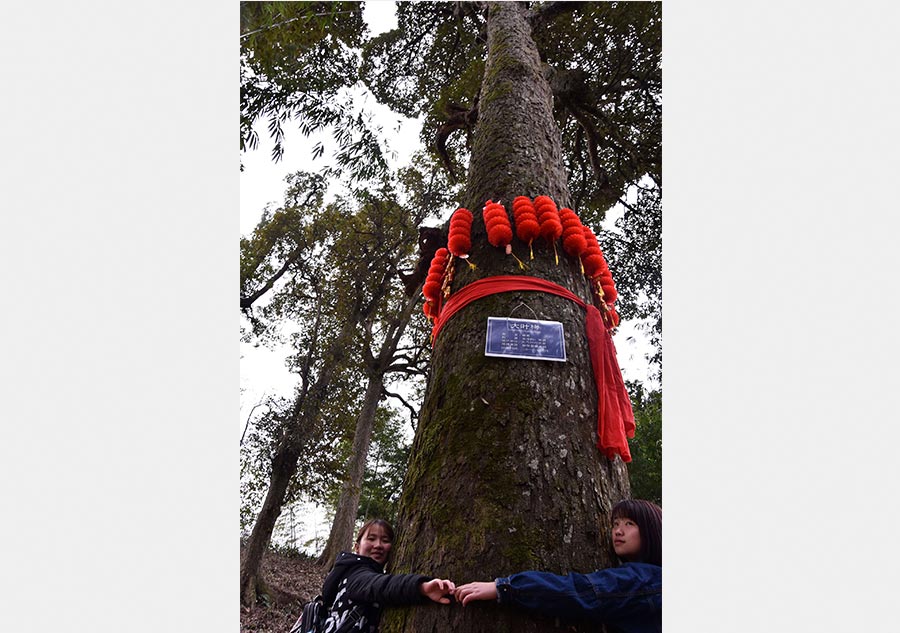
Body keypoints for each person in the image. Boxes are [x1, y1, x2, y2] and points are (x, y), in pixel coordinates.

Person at [453, 499, 662, 633]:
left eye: (629, 524)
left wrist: (505, 587)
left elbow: (582, 592)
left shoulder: (647, 579)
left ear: (651, 531)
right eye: (615, 524)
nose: (618, 531)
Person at [318, 518, 455, 633]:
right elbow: (380, 585)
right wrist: (422, 587)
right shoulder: (354, 573)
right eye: (371, 539)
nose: (378, 545)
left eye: (385, 540)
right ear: (357, 547)